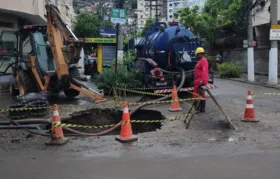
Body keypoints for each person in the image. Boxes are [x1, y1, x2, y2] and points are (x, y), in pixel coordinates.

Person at [193, 47, 209, 112]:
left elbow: (205, 72)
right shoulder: (200, 61)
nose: (196, 55)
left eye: (197, 54)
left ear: (200, 54)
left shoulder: (203, 61)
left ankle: (198, 109)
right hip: (197, 80)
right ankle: (201, 109)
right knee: (200, 95)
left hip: (200, 81)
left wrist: (203, 81)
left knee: (197, 95)